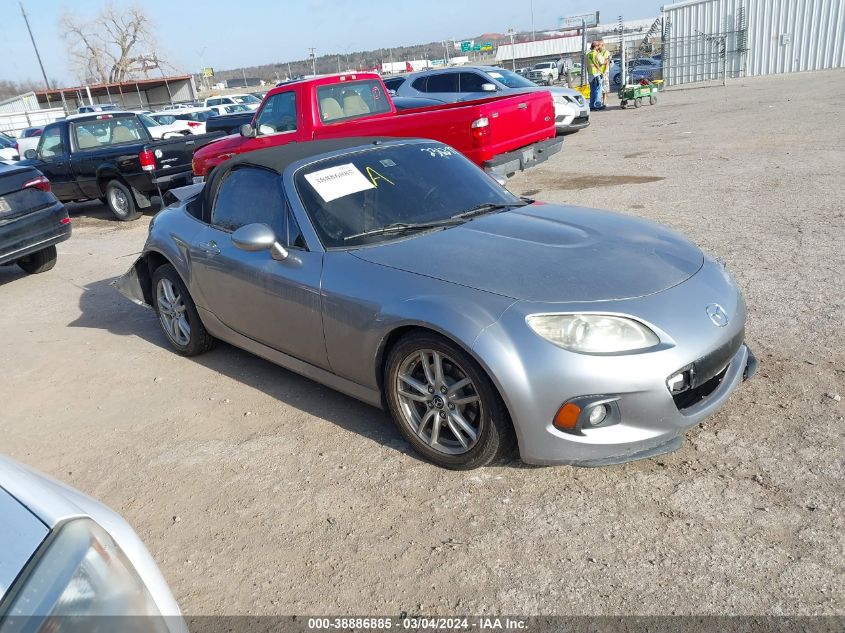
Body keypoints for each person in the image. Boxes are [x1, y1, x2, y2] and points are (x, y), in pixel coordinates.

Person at [586, 41, 604, 110]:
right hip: (596, 74)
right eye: (598, 46)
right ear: (596, 47)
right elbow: (602, 62)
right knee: (598, 90)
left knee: (592, 90)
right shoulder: (597, 54)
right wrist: (607, 60)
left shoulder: (588, 54)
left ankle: (592, 105)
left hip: (590, 74)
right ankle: (597, 105)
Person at [599, 41, 611, 108]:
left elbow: (607, 63)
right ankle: (603, 102)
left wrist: (604, 72)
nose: (598, 47)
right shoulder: (599, 52)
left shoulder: (606, 52)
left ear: (603, 46)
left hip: (604, 72)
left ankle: (604, 102)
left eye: (599, 45)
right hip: (600, 72)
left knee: (605, 88)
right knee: (602, 88)